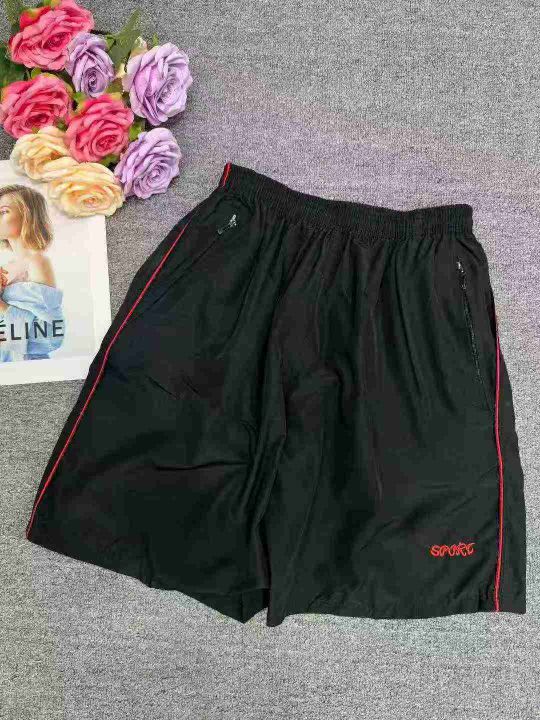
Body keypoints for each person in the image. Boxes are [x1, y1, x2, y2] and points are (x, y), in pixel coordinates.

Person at [0, 184, 64, 362]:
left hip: (25, 364)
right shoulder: (5, 267)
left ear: (27, 215)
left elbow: (50, 336)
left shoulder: (37, 263)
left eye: (3, 211)